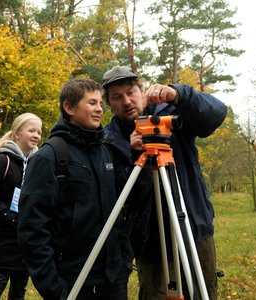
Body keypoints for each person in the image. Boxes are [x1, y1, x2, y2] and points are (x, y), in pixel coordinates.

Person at [102, 66, 227, 300]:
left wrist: (179, 93)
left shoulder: (171, 114)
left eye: (131, 92)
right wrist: (133, 156)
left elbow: (217, 113)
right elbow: (121, 196)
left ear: (142, 90)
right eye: (117, 97)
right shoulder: (109, 140)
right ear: (110, 104)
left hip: (193, 228)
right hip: (151, 242)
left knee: (202, 293)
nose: (127, 101)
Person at [18, 78, 133, 300]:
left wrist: (124, 262)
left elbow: (120, 211)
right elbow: (32, 229)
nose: (99, 109)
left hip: (113, 279)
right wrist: (54, 289)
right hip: (73, 283)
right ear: (69, 107)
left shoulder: (106, 152)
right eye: (91, 103)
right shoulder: (49, 157)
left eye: (100, 103)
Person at [0, 112, 42, 300]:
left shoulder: (38, 163)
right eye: (31, 130)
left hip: (27, 238)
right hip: (4, 237)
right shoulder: (3, 160)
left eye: (39, 131)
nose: (36, 135)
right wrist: (10, 217)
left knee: (18, 292)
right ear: (17, 134)